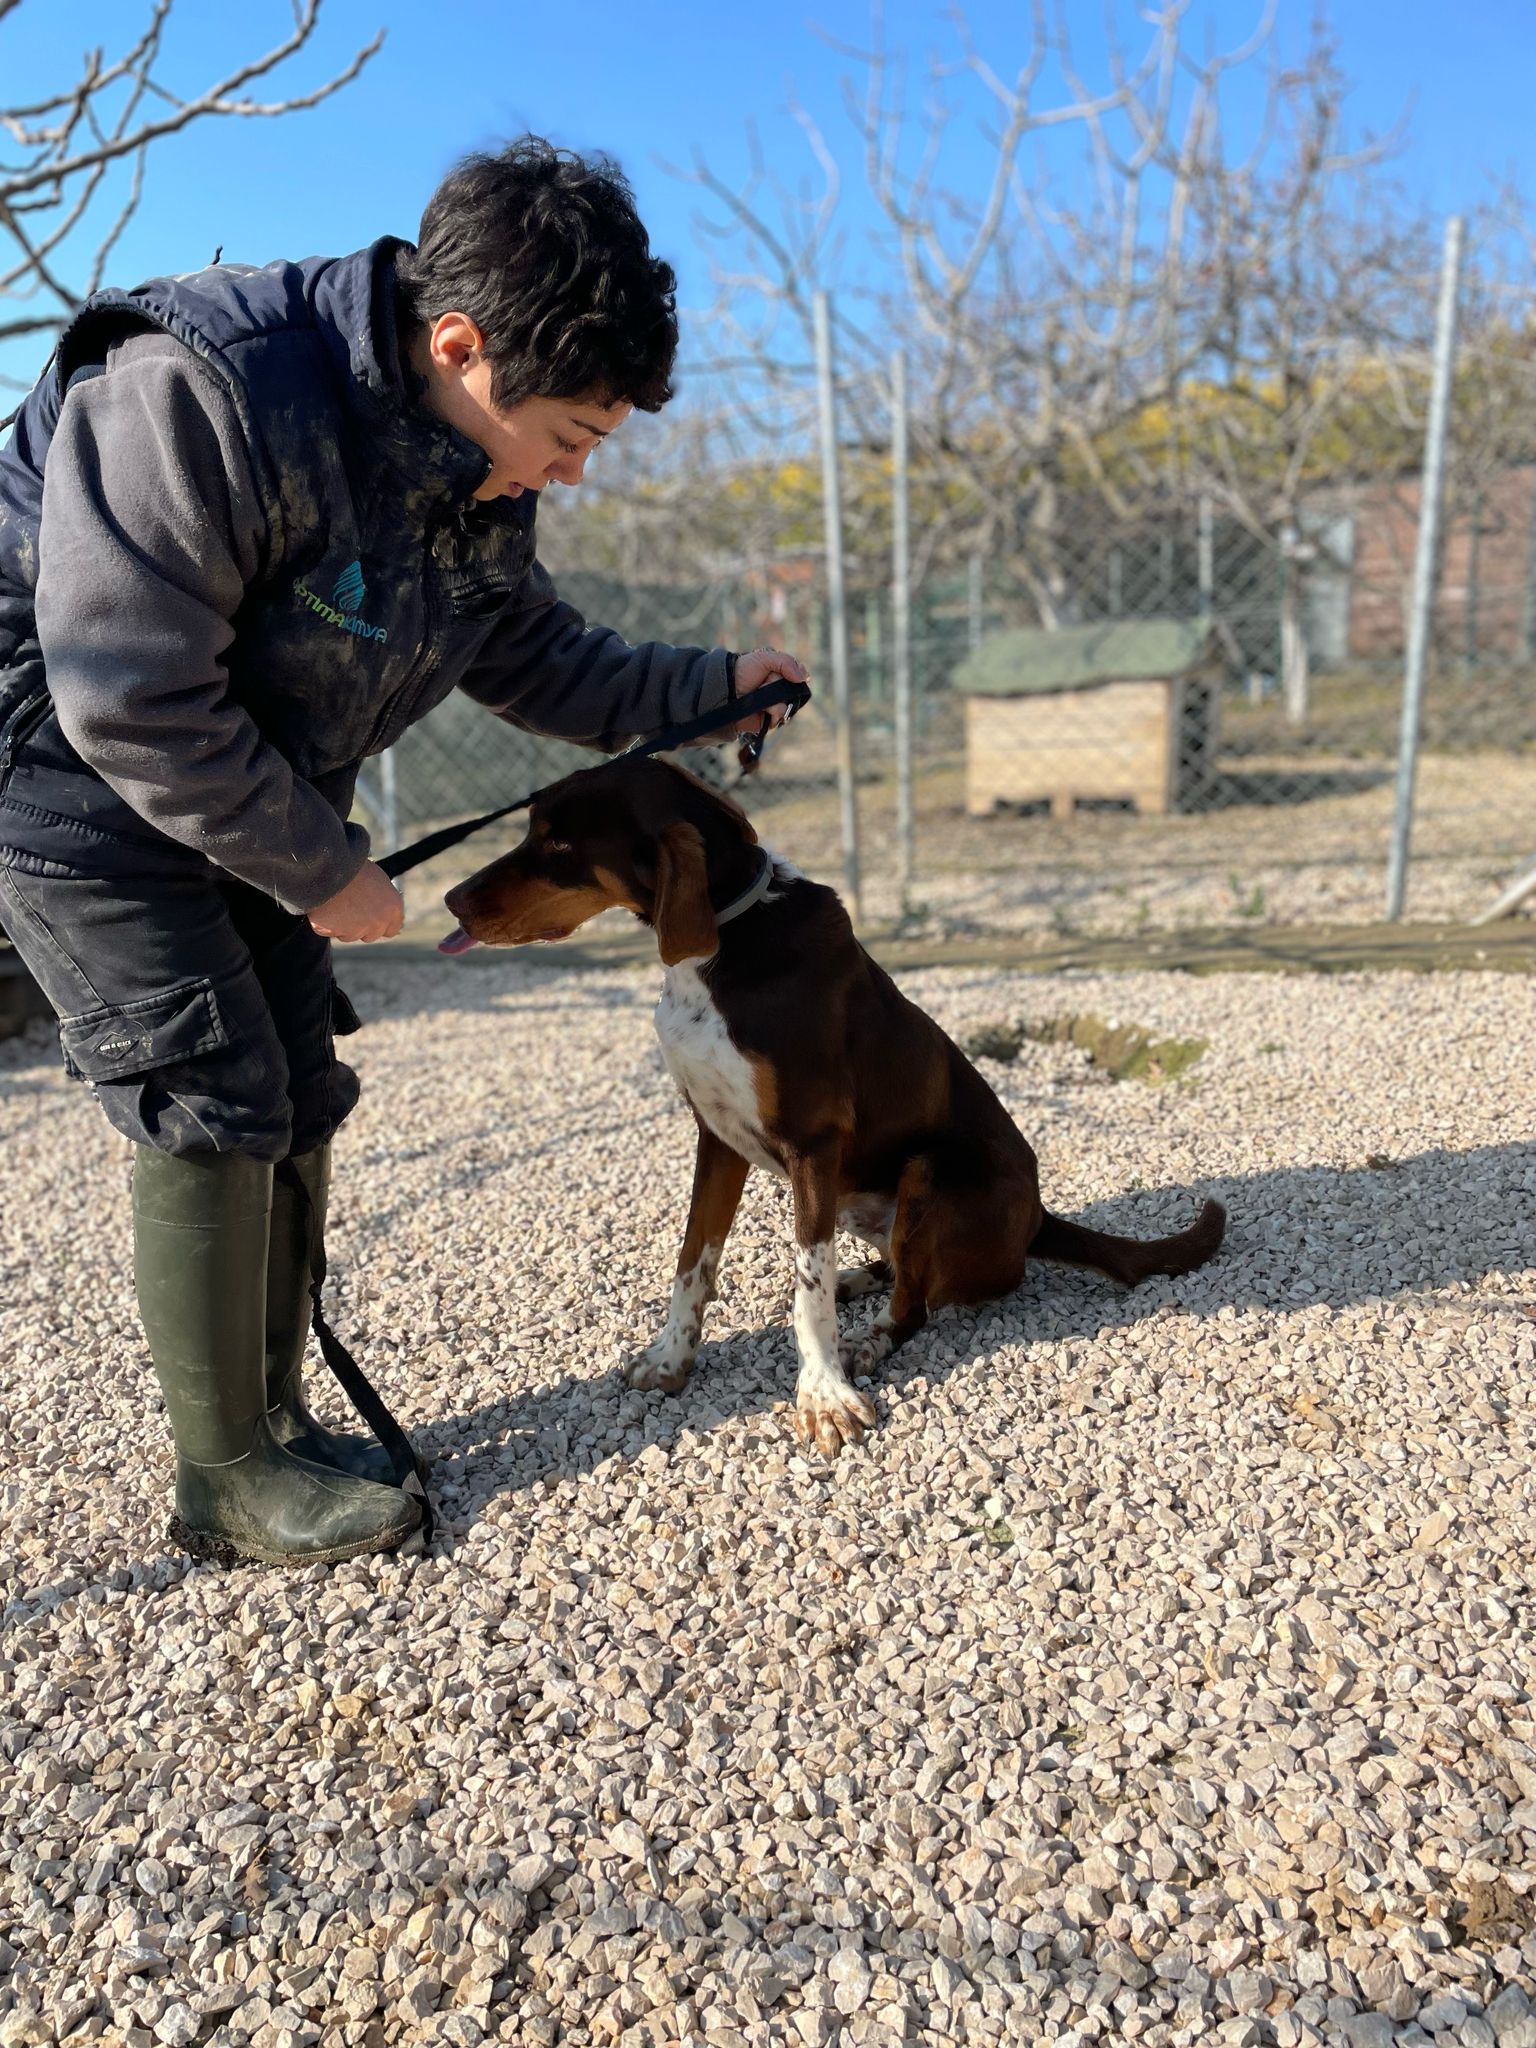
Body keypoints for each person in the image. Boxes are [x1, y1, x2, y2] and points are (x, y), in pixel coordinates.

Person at [0, 136, 807, 1567]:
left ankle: (277, 1423)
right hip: (67, 770)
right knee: (212, 1086)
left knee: (298, 1082)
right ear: (460, 346)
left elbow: (533, 651)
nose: (572, 471)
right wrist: (323, 868)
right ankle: (226, 1479)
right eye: (572, 435)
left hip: (244, 780)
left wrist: (710, 684)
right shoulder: (199, 388)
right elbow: (127, 693)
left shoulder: (469, 462)